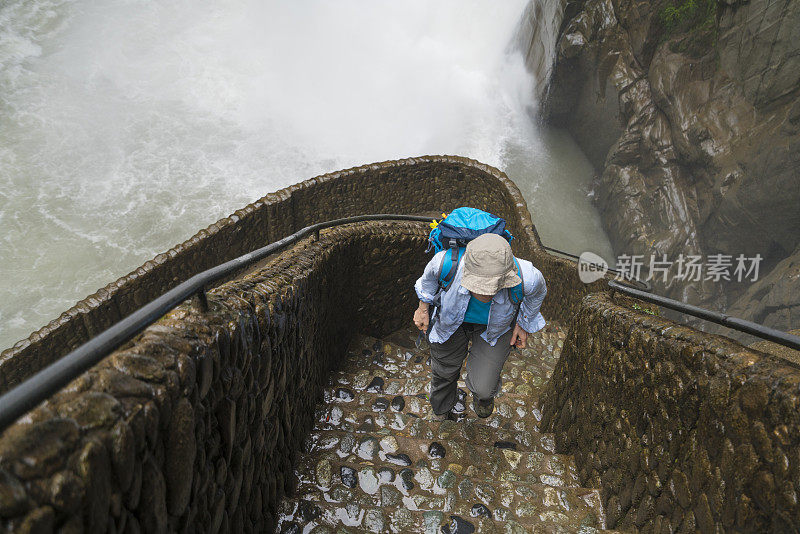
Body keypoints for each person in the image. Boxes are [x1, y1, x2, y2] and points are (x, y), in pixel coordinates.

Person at [413, 233, 547, 420]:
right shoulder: (445, 263)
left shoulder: (528, 276)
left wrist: (523, 323)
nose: (488, 293)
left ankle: (483, 397)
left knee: (484, 386)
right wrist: (423, 308)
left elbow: (538, 293)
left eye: (495, 286)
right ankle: (441, 408)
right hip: (451, 322)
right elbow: (427, 283)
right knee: (444, 371)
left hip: (497, 328)